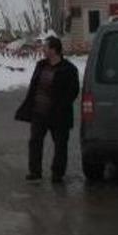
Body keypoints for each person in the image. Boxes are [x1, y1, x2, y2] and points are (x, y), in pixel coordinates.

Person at [14, 36, 80, 183]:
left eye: (46, 47)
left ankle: (57, 173)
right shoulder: (41, 65)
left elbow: (73, 92)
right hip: (39, 112)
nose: (43, 50)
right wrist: (29, 105)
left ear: (53, 50)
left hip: (59, 115)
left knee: (60, 144)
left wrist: (61, 106)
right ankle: (35, 172)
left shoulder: (68, 69)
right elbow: (34, 86)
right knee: (35, 141)